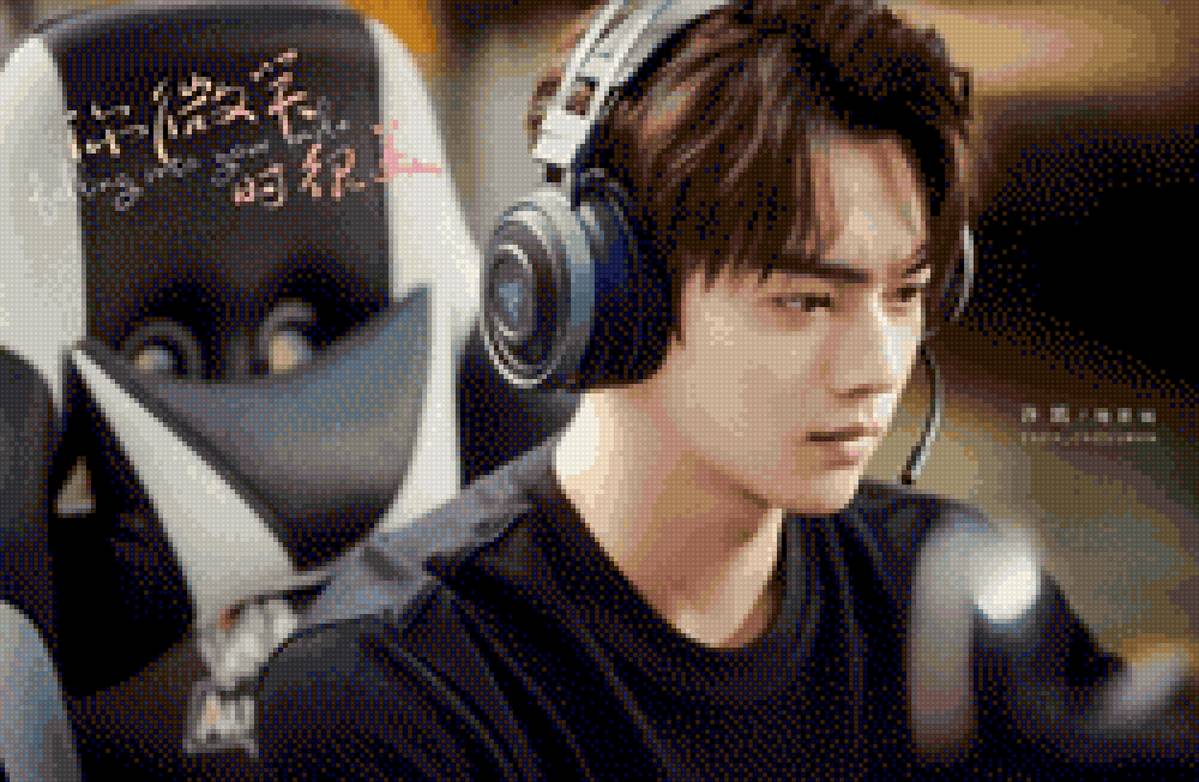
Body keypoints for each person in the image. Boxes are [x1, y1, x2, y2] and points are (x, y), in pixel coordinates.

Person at [256, 1, 1199, 778]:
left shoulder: (948, 602)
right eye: (804, 301)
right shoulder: (399, 689)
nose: (877, 366)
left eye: (904, 293)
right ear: (605, 294)